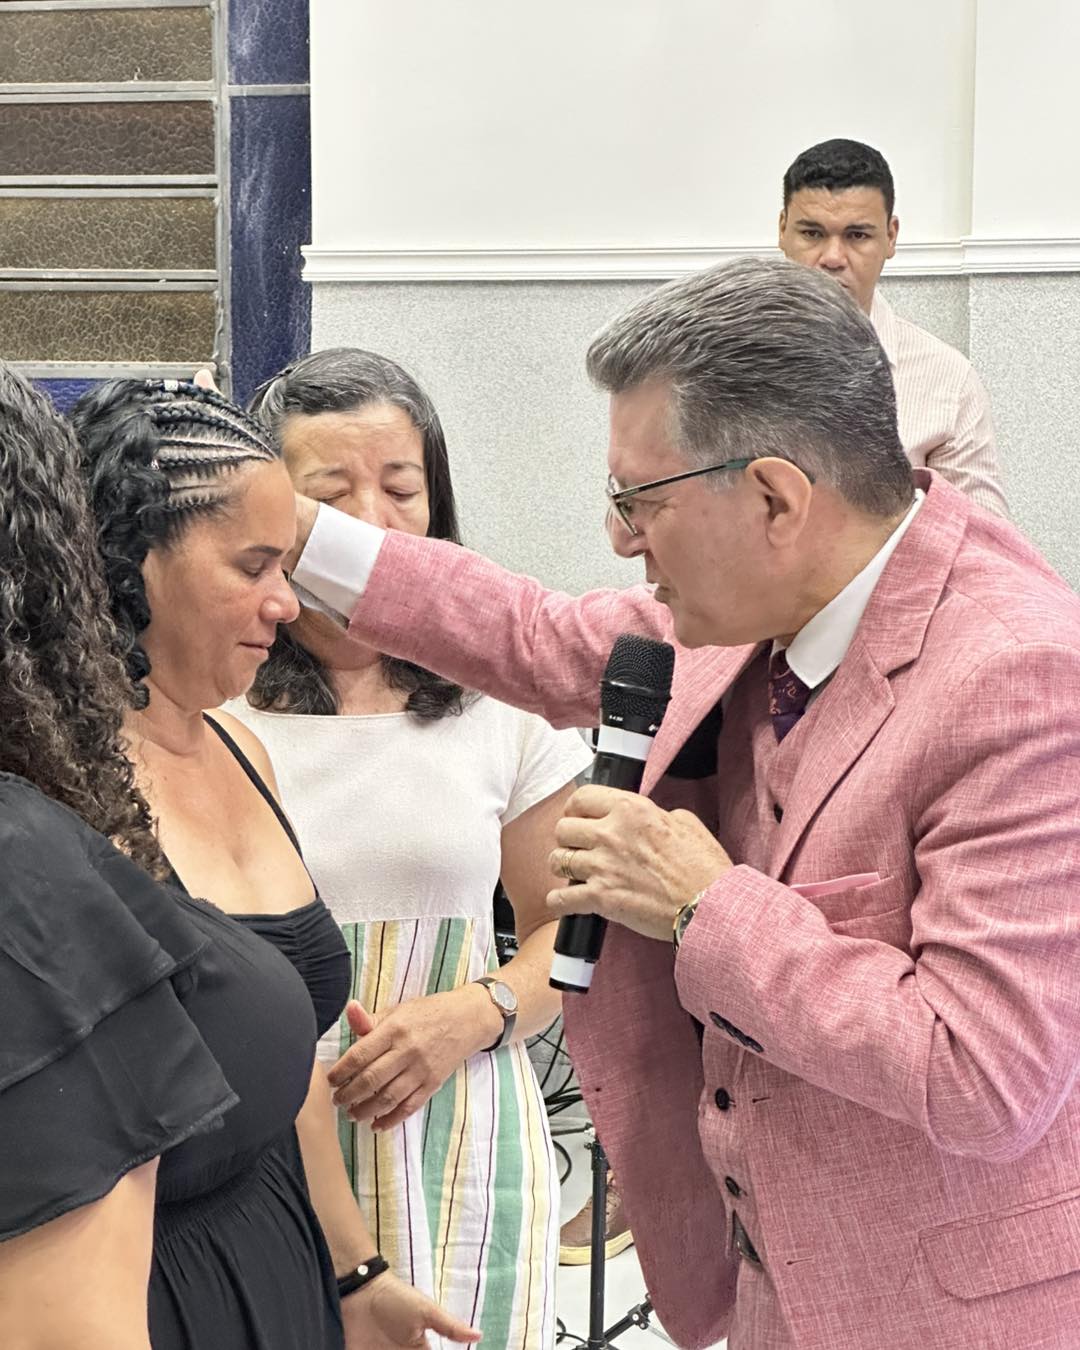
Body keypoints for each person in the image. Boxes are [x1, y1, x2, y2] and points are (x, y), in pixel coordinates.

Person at [278, 258, 1080, 1348]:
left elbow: (985, 1072)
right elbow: (529, 634)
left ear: (775, 498)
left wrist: (705, 905)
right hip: (767, 1285)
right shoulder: (761, 605)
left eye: (640, 501)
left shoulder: (1017, 677)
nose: (621, 540)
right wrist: (291, 529)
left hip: (935, 1305)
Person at [70, 378, 479, 1350]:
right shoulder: (69, 790)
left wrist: (356, 1273)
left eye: (286, 565)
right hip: (142, 1287)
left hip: (275, 1242)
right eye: (254, 565)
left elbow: (288, 1057)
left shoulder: (240, 748)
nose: (286, 601)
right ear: (133, 563)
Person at [221, 349, 592, 1349]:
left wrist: (475, 1013)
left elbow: (571, 934)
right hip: (262, 1135)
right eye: (329, 494)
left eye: (400, 488)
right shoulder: (213, 698)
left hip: (462, 1130)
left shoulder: (505, 699)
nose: (371, 525)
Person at [778, 137, 1008, 517]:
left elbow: (978, 540)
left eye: (857, 235)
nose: (832, 258)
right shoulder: (721, 363)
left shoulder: (947, 382)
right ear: (783, 229)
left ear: (891, 236)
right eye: (812, 233)